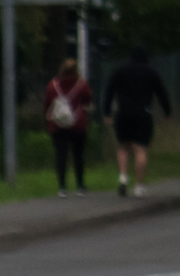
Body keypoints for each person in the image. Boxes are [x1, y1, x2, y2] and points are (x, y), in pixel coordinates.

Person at [103, 47, 171, 196]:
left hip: (123, 113)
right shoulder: (151, 73)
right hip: (143, 114)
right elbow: (161, 93)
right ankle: (139, 186)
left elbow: (109, 91)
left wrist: (107, 112)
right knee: (140, 149)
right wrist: (167, 111)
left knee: (123, 147)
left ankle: (123, 177)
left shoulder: (120, 72)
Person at [42, 59, 93, 196]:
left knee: (61, 155)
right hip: (78, 124)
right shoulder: (81, 84)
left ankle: (62, 187)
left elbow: (47, 103)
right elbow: (88, 98)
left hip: (58, 124)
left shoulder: (52, 85)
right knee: (78, 155)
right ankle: (80, 186)